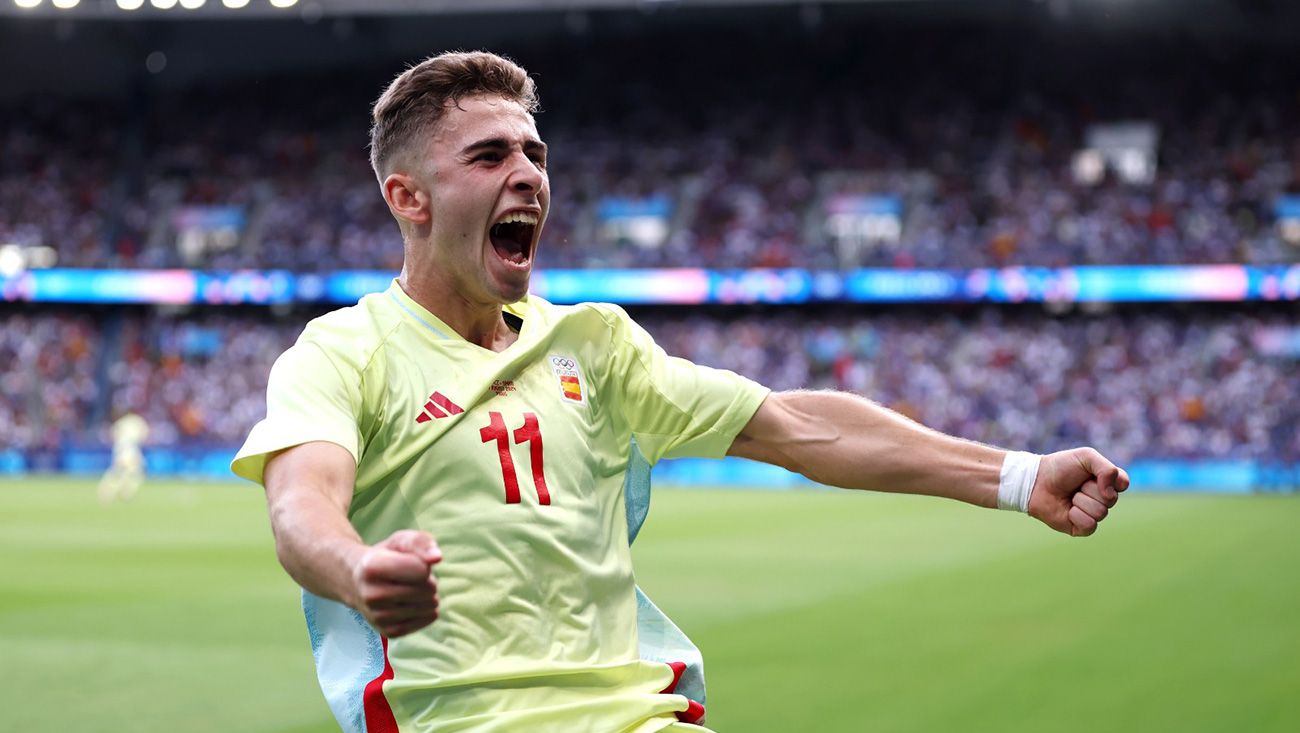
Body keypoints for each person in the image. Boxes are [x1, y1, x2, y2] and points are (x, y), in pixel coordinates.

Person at [231, 51, 1130, 733]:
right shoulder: (343, 351)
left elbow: (793, 424)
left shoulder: (594, 341)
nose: (530, 173)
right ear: (410, 197)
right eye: (490, 154)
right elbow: (301, 507)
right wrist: (358, 569)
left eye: (536, 152)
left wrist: (1018, 475)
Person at [98, 410, 148, 504]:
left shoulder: (121, 422)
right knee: (134, 471)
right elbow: (144, 435)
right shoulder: (137, 421)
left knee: (121, 470)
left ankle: (117, 490)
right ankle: (119, 490)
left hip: (121, 448)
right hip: (130, 449)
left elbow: (113, 435)